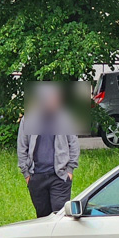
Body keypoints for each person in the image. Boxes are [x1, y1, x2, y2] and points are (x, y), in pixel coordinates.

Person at [17, 84, 80, 217]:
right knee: (43, 216)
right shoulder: (29, 119)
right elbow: (22, 147)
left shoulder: (65, 118)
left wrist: (69, 171)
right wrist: (27, 175)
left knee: (60, 216)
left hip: (60, 176)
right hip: (36, 176)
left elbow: (73, 144)